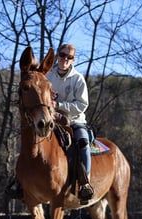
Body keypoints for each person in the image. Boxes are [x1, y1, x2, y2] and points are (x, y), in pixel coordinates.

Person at [47, 44, 94, 202]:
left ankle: (84, 184)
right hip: (51, 118)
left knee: (83, 142)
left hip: (74, 120)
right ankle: (21, 180)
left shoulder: (78, 79)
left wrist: (60, 105)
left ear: (73, 60)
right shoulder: (48, 75)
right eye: (62, 55)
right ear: (57, 56)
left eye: (69, 57)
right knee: (32, 137)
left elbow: (82, 105)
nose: (65, 59)